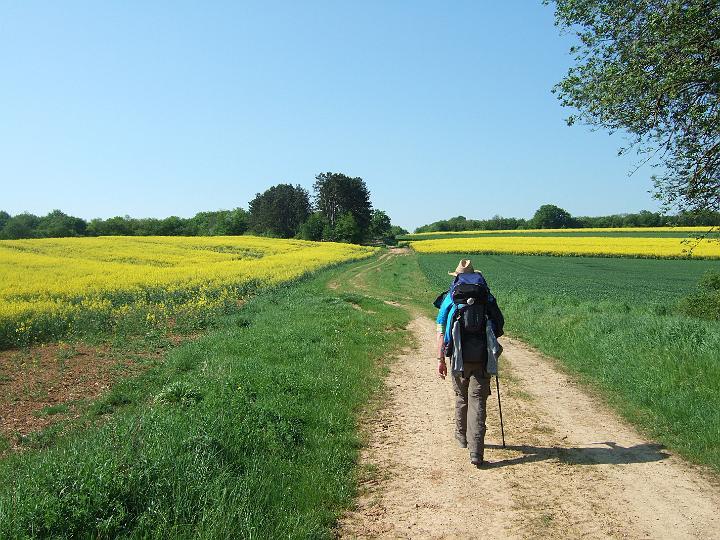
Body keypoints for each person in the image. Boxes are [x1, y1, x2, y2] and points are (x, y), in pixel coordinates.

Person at [435, 259, 504, 468]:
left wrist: (440, 359)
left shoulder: (450, 298)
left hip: (458, 358)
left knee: (461, 397)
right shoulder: (486, 297)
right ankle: (476, 453)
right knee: (478, 402)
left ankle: (461, 436)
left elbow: (440, 331)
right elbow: (499, 325)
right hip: (482, 358)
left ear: (456, 276)